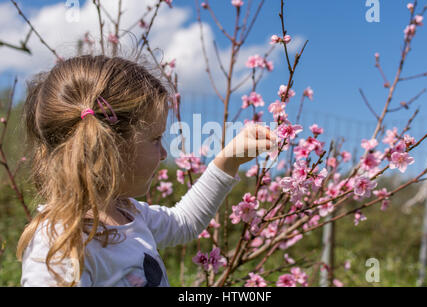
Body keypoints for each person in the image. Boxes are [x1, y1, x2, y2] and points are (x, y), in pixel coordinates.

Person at [17, 55, 277, 286]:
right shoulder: (58, 246)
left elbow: (183, 222)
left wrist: (228, 161)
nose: (164, 154)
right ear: (111, 146)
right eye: (156, 139)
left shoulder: (126, 212)